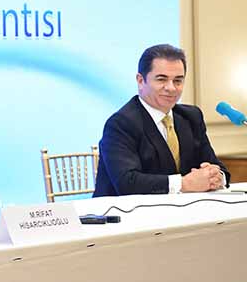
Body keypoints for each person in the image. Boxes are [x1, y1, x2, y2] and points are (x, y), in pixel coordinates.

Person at [94, 44, 229, 197]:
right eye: (161, 79)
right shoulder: (121, 123)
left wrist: (217, 177)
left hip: (183, 209)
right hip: (123, 210)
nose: (171, 88)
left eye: (178, 81)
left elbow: (216, 166)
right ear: (140, 80)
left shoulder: (191, 116)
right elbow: (128, 183)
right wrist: (184, 184)